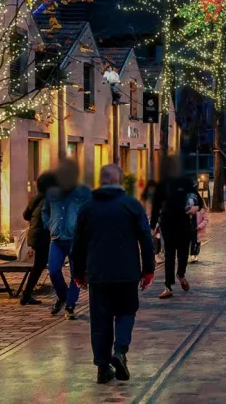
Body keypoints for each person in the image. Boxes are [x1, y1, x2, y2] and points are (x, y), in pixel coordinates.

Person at [71, 164, 155, 385]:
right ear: (119, 181)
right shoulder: (132, 206)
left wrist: (77, 272)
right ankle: (120, 350)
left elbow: (77, 243)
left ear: (101, 181)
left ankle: (102, 367)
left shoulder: (87, 207)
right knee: (127, 312)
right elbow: (146, 240)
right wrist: (148, 270)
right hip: (127, 273)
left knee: (100, 320)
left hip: (98, 273)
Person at [42, 158, 92, 319]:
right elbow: (45, 211)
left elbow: (91, 211)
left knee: (75, 273)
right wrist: (49, 225)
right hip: (56, 238)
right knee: (53, 270)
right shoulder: (52, 192)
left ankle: (70, 304)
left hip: (75, 239)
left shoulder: (83, 192)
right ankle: (63, 296)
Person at [151, 155, 202, 299]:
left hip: (185, 224)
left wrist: (196, 208)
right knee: (169, 255)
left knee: (183, 253)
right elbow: (156, 206)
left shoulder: (186, 182)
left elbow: (199, 201)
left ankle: (181, 274)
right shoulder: (163, 184)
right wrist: (152, 226)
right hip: (168, 224)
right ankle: (168, 286)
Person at [20, 171, 58, 306]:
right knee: (49, 265)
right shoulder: (52, 198)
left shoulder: (37, 198)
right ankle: (62, 294)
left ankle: (27, 294)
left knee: (40, 265)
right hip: (44, 235)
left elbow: (26, 215)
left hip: (36, 235)